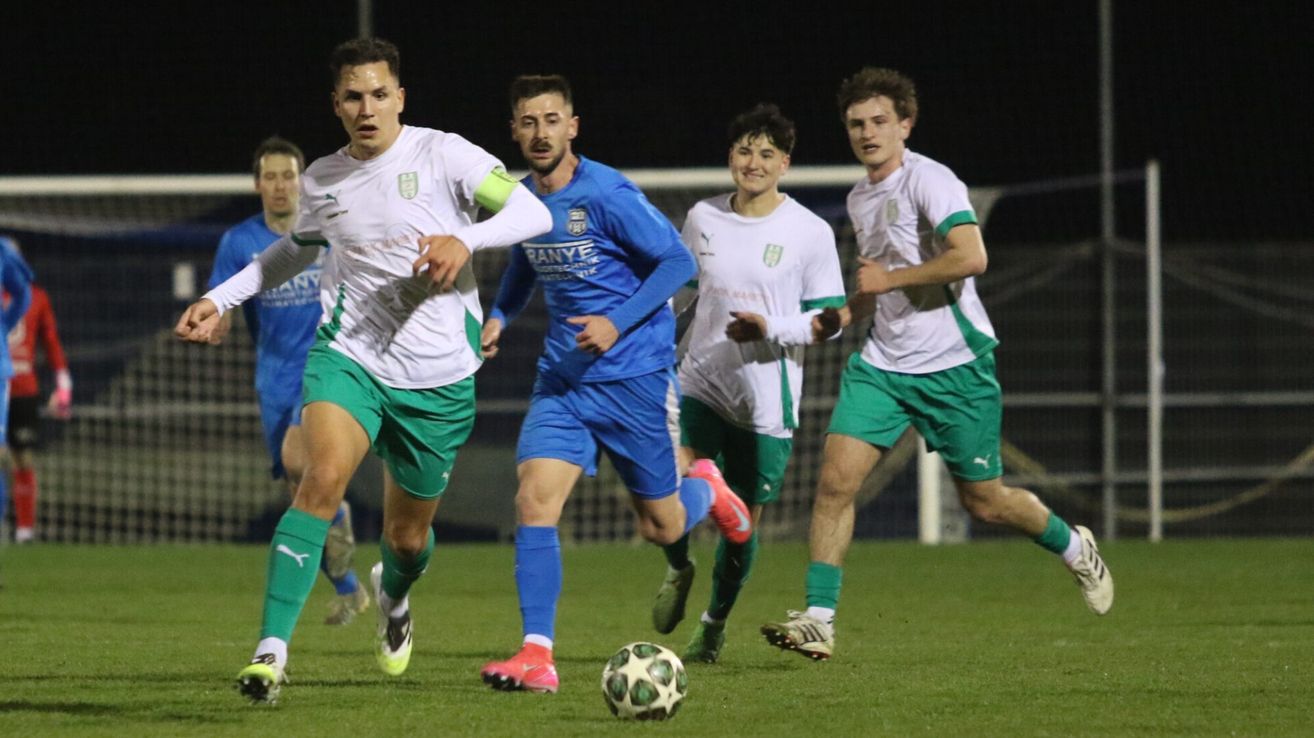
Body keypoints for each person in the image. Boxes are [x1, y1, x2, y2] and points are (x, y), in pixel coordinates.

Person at [174, 37, 552, 703]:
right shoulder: (322, 177)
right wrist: (217, 297)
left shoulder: (446, 155)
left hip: (438, 380)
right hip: (350, 356)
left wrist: (464, 237)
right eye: (354, 96)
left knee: (407, 540)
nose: (367, 107)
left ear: (400, 97)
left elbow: (532, 210)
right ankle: (270, 652)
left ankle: (395, 599)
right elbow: (291, 251)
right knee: (320, 478)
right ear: (337, 105)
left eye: (380, 94)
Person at [760, 67, 1113, 662]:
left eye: (878, 121)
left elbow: (972, 256)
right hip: (884, 367)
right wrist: (844, 313)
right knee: (834, 483)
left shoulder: (933, 181)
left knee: (986, 501)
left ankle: (1073, 547)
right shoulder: (860, 196)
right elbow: (875, 283)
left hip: (955, 367)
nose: (867, 133)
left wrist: (890, 278)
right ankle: (819, 619)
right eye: (855, 124)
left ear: (905, 124)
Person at [477, 74, 753, 693]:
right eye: (528, 121)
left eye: (552, 120)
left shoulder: (608, 193)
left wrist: (616, 321)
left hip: (634, 380)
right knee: (533, 500)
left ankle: (710, 492)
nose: (540, 132)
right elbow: (523, 264)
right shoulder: (522, 202)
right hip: (564, 381)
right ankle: (537, 656)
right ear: (514, 131)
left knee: (663, 527)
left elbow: (679, 265)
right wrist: (498, 315)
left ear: (572, 126)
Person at [647, 104, 846, 664]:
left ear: (784, 162)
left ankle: (713, 625)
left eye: (765, 154)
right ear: (729, 156)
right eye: (743, 151)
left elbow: (828, 321)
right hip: (700, 381)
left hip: (764, 403)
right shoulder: (704, 216)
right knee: (672, 479)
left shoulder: (809, 231)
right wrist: (640, 324)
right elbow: (681, 292)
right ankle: (678, 567)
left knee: (741, 530)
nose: (752, 163)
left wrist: (770, 327)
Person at [206, 136, 370, 625]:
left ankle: (337, 585)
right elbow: (225, 302)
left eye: (288, 176)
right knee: (302, 489)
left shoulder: (324, 230)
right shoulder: (239, 242)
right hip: (273, 380)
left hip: (325, 367)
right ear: (258, 184)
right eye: (270, 177)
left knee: (302, 463)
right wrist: (216, 322)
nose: (280, 186)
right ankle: (348, 586)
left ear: (302, 181)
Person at [5, 253, 73, 544]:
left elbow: (51, 342)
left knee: (23, 458)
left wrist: (63, 387)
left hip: (24, 390)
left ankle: (24, 531)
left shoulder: (36, 297)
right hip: (2, 386)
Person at [0, 237, 34, 544]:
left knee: (2, 454)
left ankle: (15, 532)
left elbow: (23, 291)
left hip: (2, 373)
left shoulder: (3, 253)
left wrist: (3, 326)